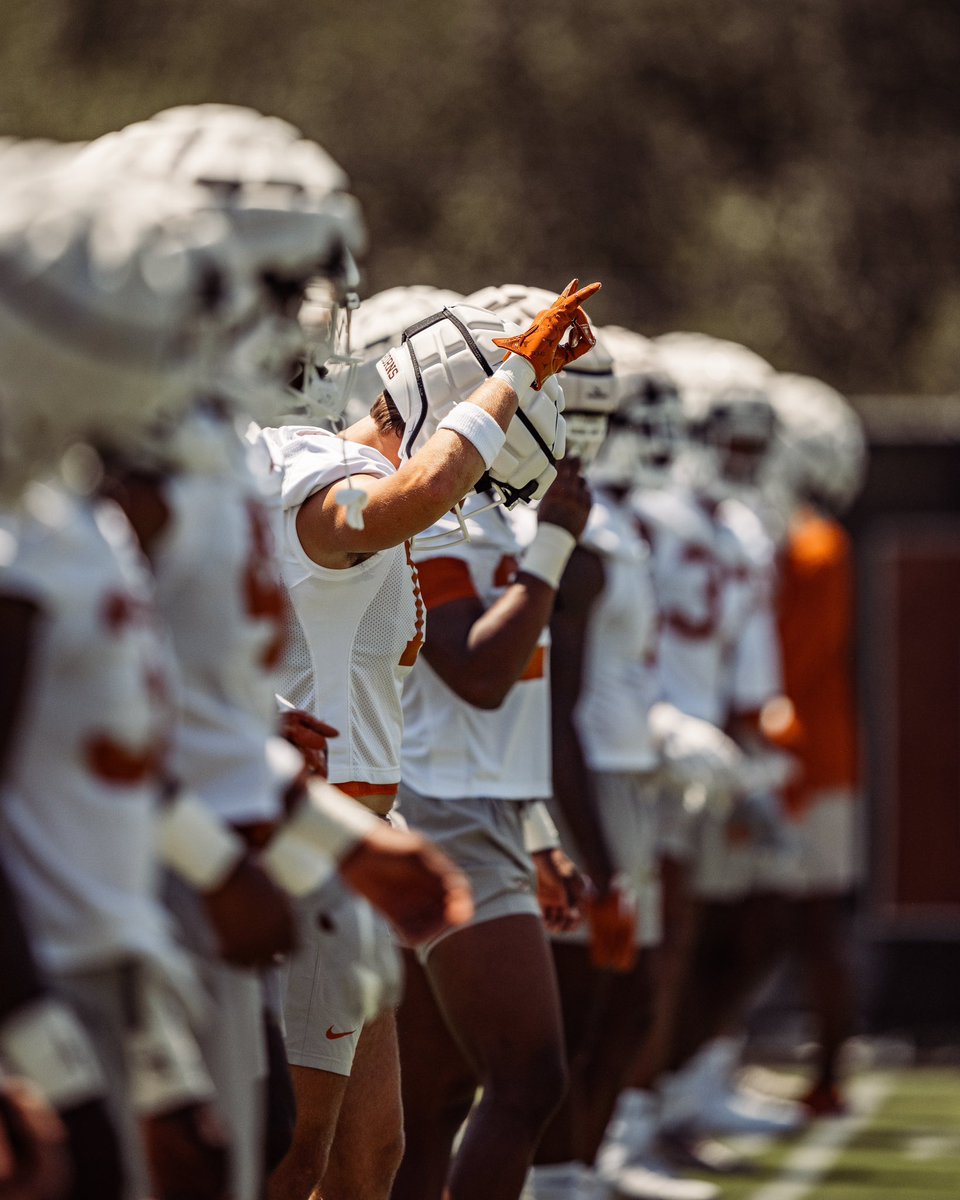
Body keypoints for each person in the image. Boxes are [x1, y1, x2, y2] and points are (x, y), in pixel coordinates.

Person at [263, 284, 600, 1200]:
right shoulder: (309, 463)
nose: (479, 502)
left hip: (363, 847)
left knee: (369, 1161)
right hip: (300, 849)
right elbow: (411, 499)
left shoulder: (382, 502)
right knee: (291, 1158)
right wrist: (517, 372)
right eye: (486, 475)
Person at [763, 373, 867, 1117]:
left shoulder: (814, 544)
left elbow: (790, 660)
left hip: (804, 759)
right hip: (802, 753)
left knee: (812, 926)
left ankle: (829, 1073)